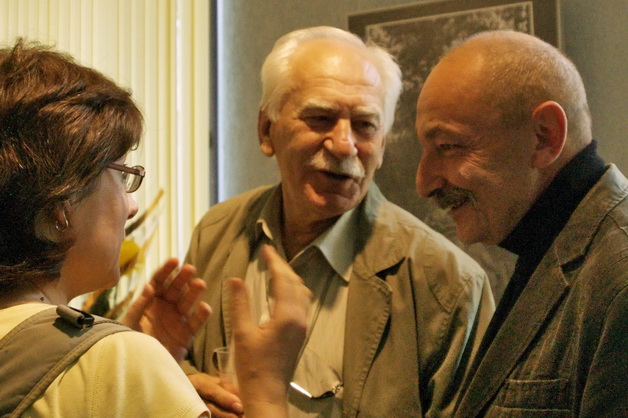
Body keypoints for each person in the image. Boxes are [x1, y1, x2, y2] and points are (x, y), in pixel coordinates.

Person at [183, 26, 494, 417]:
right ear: (266, 130)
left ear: (382, 145)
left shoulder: (447, 285)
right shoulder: (217, 232)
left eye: (365, 125)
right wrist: (187, 387)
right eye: (320, 118)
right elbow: (181, 362)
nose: (344, 145)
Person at [0, 39, 310, 418]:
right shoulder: (114, 361)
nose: (132, 207)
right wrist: (266, 392)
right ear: (60, 204)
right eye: (122, 175)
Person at [414, 30, 628, 416]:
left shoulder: (618, 279)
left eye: (448, 147)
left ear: (545, 137)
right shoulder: (555, 246)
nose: (423, 183)